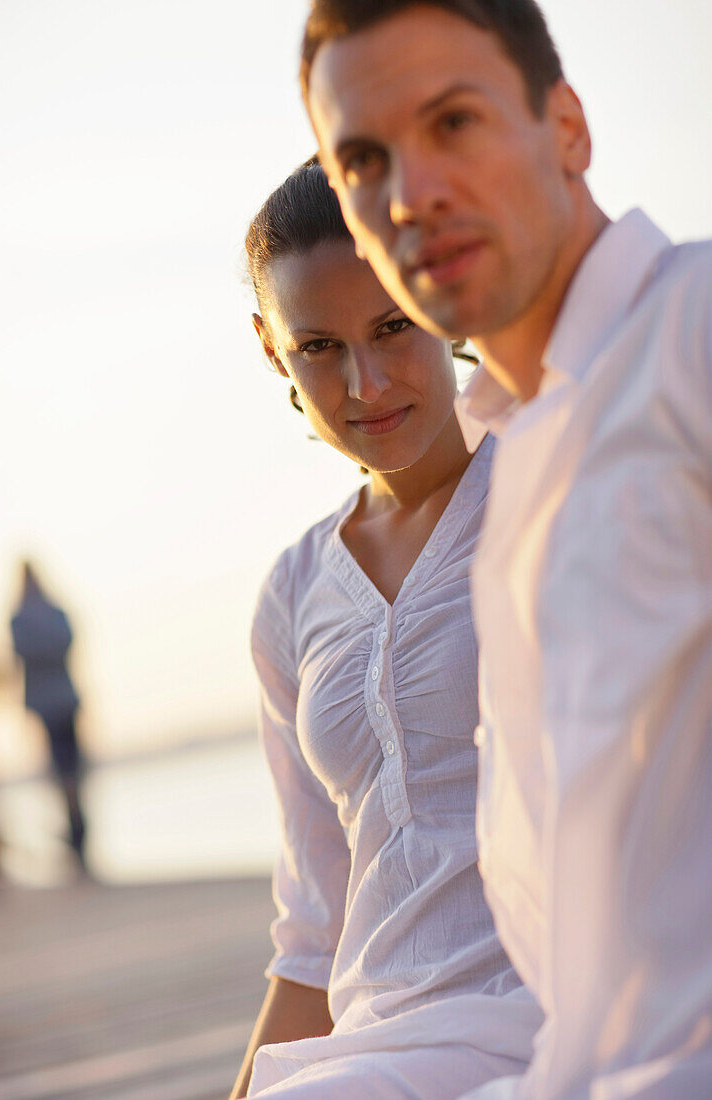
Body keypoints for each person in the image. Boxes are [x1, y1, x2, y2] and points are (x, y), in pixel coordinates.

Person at [299, 2, 712, 1097]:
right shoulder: (524, 451)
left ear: (565, 128)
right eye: (364, 160)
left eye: (454, 122)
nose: (410, 194)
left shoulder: (690, 335)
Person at [232, 159, 542, 1099]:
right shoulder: (292, 595)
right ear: (272, 351)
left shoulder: (553, 491)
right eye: (318, 345)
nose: (364, 383)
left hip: (555, 1008)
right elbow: (315, 927)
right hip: (374, 1042)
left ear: (441, 297)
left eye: (392, 326)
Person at [10, 562, 87, 869]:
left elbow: (63, 642)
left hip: (58, 701)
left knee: (69, 770)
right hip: (51, 703)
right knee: (62, 770)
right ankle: (73, 830)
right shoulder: (35, 616)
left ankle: (77, 831)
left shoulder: (33, 617)